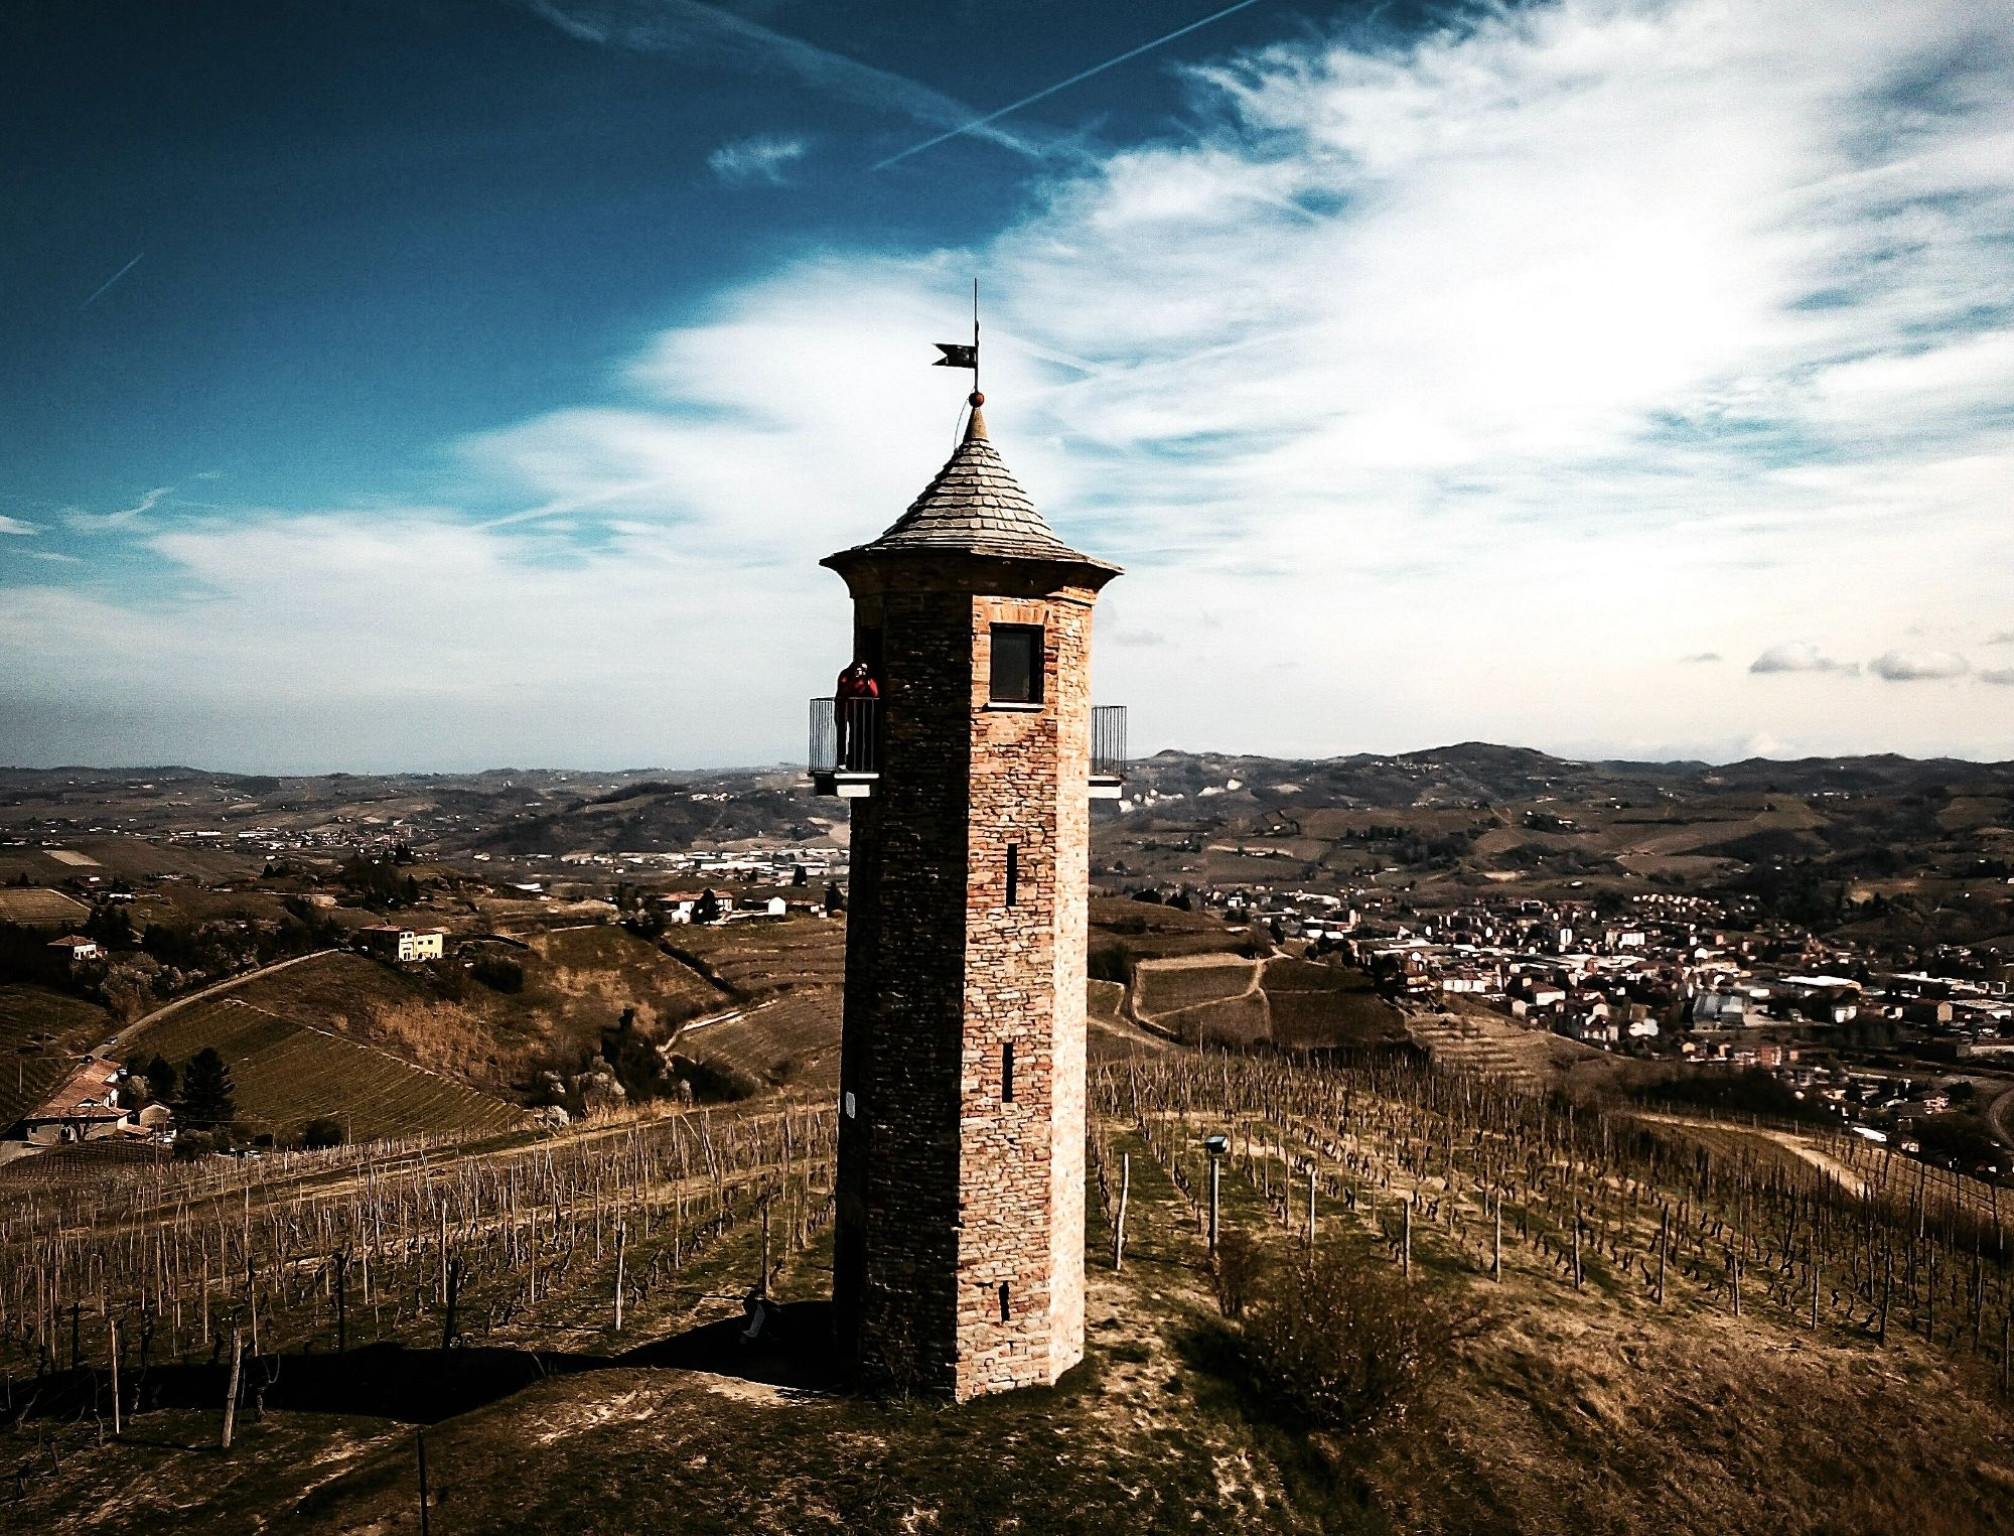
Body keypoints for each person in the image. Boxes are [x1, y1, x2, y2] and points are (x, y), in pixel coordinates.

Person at [834, 658, 879, 771]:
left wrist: (867, 682)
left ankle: (853, 762)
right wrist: (855, 680)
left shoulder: (866, 679)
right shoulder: (845, 676)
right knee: (842, 736)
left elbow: (875, 693)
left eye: (864, 670)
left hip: (856, 712)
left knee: (856, 737)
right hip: (843, 710)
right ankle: (841, 761)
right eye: (860, 669)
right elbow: (844, 691)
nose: (862, 671)